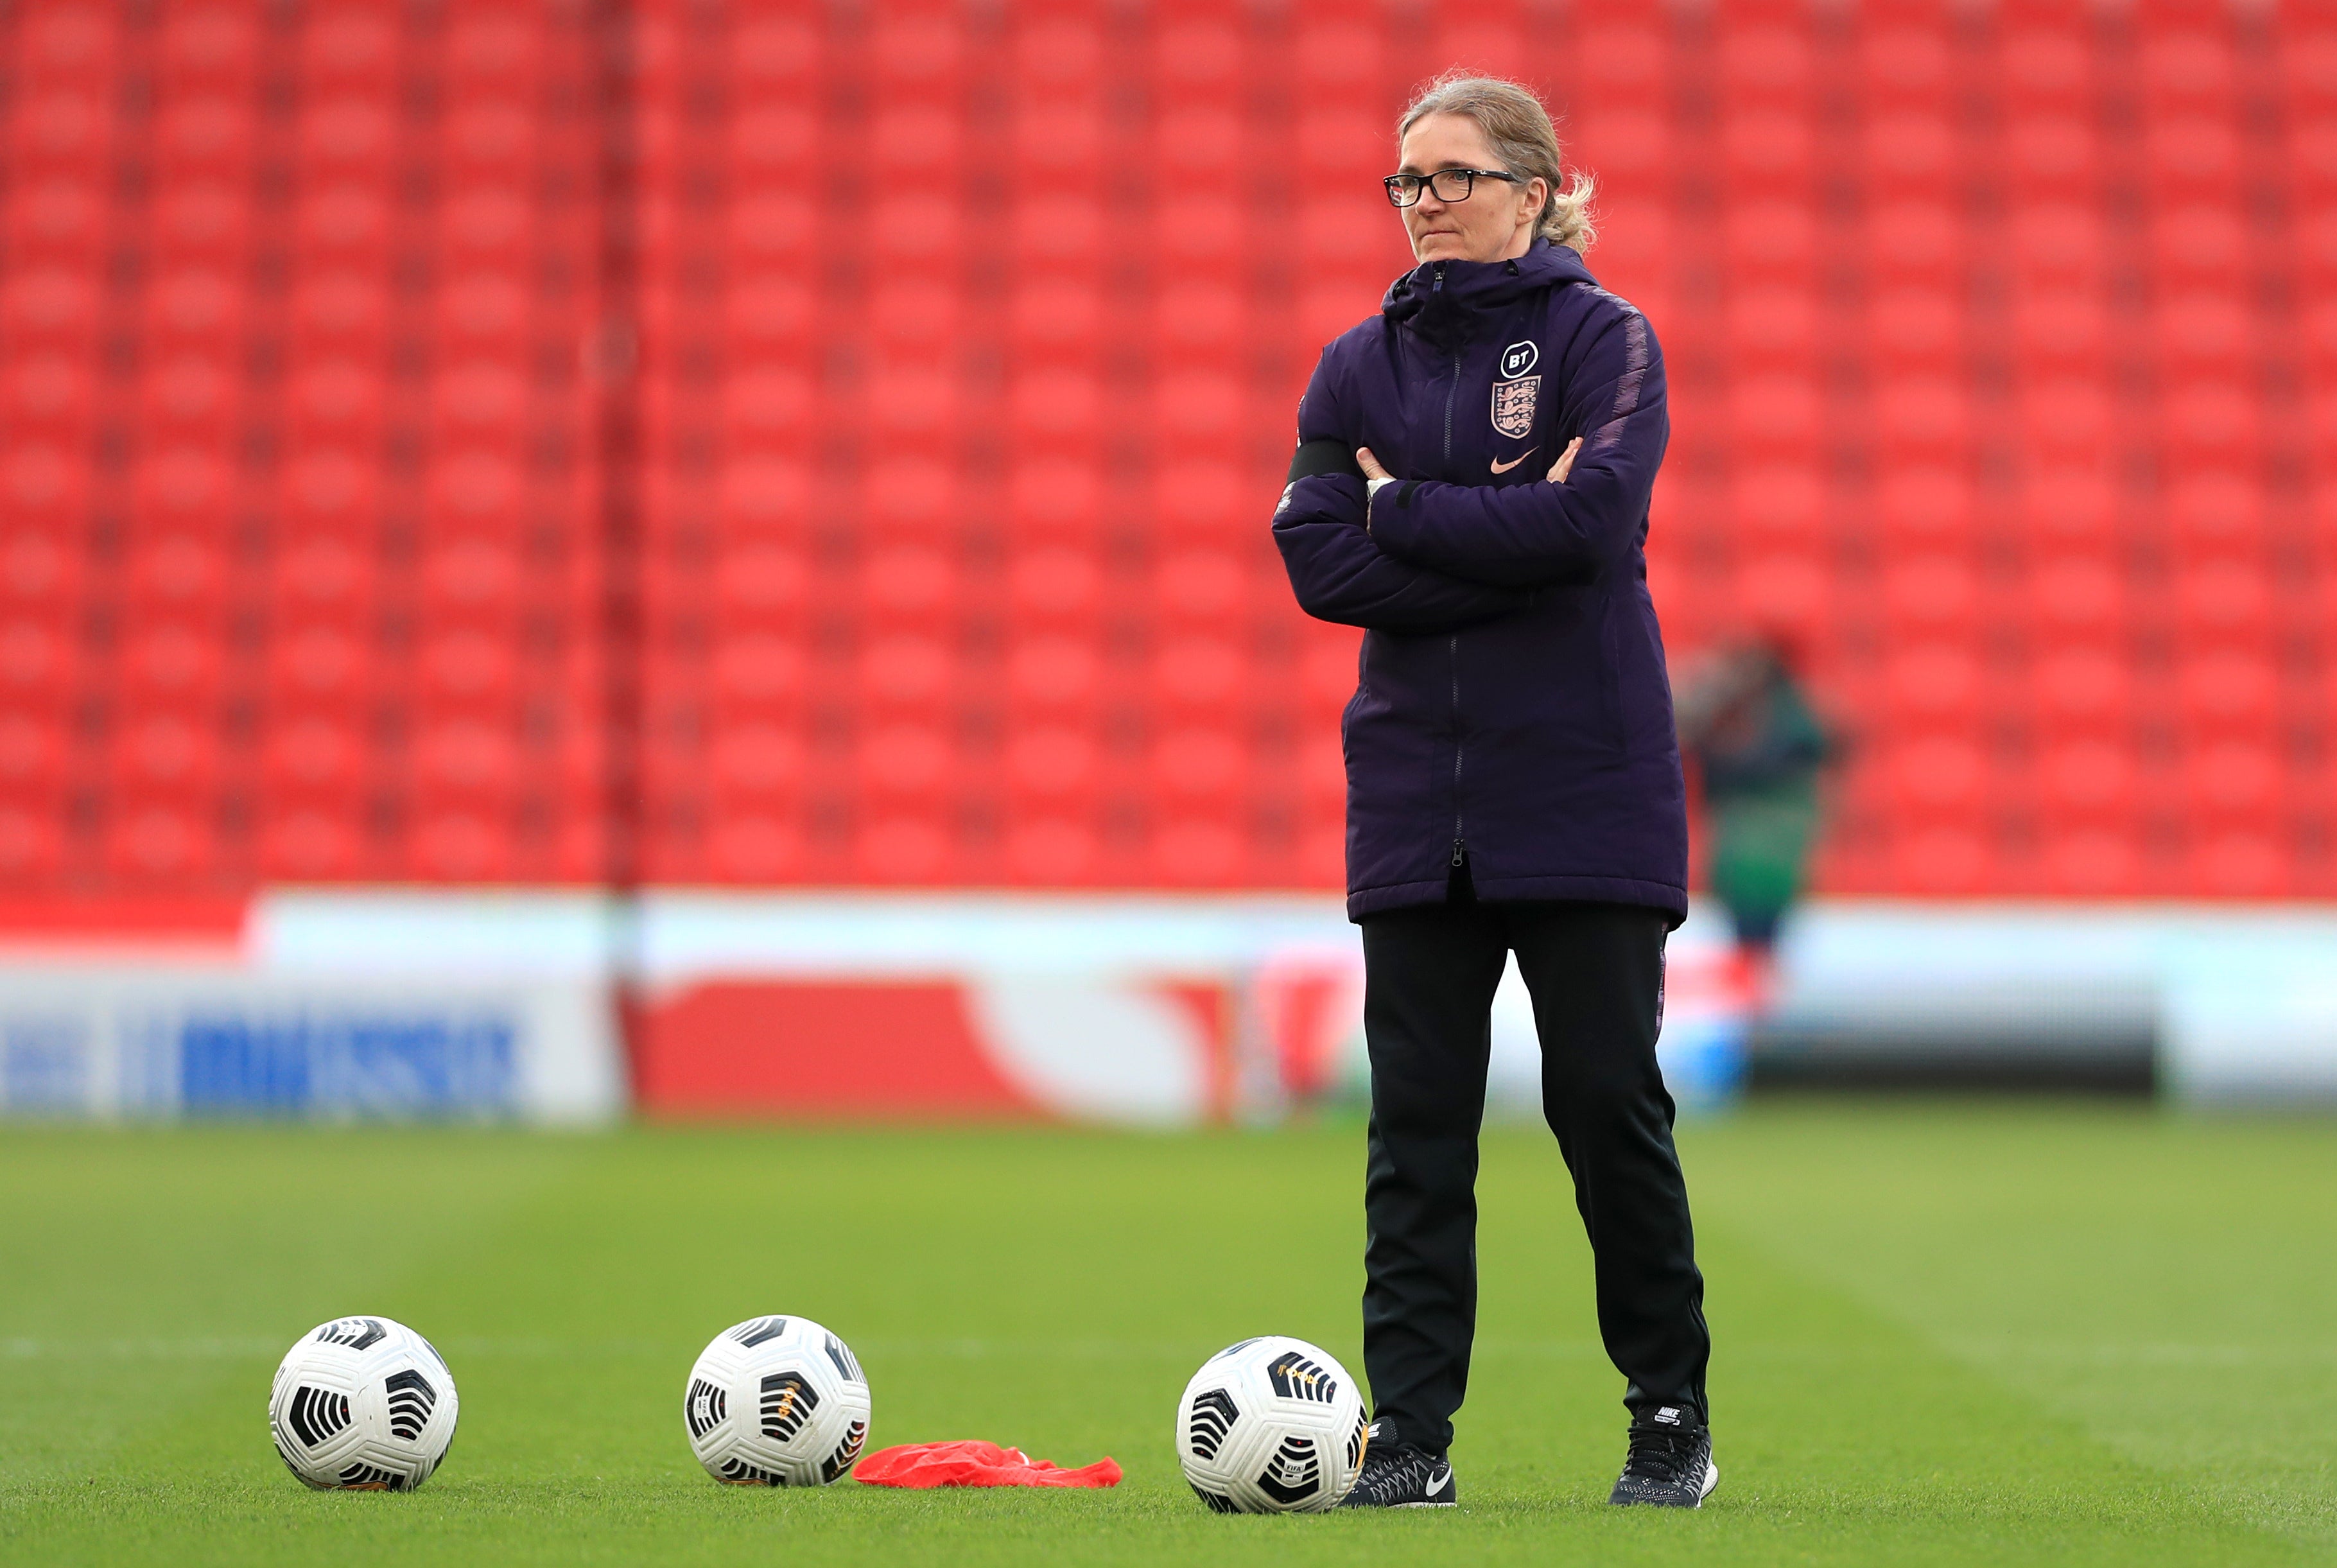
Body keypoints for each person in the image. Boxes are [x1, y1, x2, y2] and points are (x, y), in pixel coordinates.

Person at [1271, 73, 1714, 1509]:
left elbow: (1590, 527)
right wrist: (1477, 531)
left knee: (1603, 1108)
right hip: (1413, 795)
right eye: (1406, 182)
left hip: (1585, 790)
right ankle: (1407, 1444)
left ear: (1533, 190)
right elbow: (1315, 560)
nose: (1426, 203)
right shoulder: (1352, 366)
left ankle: (1666, 1414)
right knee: (1415, 1134)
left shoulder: (1606, 341)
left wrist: (1405, 507)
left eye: (1453, 175)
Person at [1675, 636, 1836, 1004]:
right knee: (1748, 949)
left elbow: (1762, 762)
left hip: (1766, 859)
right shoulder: (1741, 717)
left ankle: (1758, 1008)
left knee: (1761, 950)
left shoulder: (1788, 721)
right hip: (1745, 861)